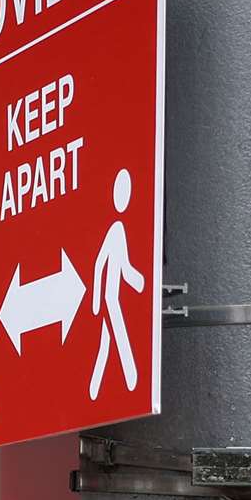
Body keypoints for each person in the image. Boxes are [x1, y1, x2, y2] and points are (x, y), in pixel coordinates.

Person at [89, 167, 144, 400]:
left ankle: (94, 387)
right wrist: (95, 298)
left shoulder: (117, 229)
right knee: (119, 333)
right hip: (109, 297)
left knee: (105, 341)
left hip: (111, 295)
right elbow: (100, 263)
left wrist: (136, 280)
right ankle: (131, 376)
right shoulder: (116, 230)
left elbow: (121, 265)